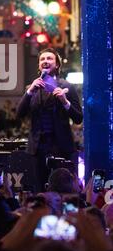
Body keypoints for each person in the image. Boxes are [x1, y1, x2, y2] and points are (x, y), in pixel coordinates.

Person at [17, 48, 83, 192]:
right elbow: (19, 113)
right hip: (38, 148)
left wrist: (65, 101)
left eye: (49, 58)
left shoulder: (67, 86)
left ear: (57, 65)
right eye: (42, 59)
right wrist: (29, 92)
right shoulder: (32, 88)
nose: (45, 61)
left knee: (62, 189)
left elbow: (78, 118)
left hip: (61, 147)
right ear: (39, 65)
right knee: (39, 189)